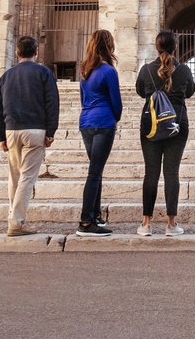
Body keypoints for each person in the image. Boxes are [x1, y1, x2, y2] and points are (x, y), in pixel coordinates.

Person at [0, 35, 59, 237]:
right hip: (35, 130)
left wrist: (0, 136)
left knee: (14, 177)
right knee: (27, 178)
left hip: (11, 130)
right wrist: (50, 131)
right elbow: (52, 103)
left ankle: (15, 220)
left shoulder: (6, 76)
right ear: (36, 51)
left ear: (17, 52)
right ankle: (16, 222)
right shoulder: (44, 73)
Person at [135, 31, 195, 236]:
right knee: (172, 172)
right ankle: (171, 223)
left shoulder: (146, 70)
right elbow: (190, 92)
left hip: (151, 125)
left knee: (150, 172)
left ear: (156, 47)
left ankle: (146, 224)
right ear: (175, 48)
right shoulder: (184, 70)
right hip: (177, 124)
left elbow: (140, 91)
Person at [76, 29, 122, 237]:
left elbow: (82, 98)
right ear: (108, 46)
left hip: (86, 121)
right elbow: (116, 102)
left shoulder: (84, 69)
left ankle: (95, 214)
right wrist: (116, 118)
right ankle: (86, 222)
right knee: (95, 172)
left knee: (96, 169)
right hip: (103, 121)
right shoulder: (108, 71)